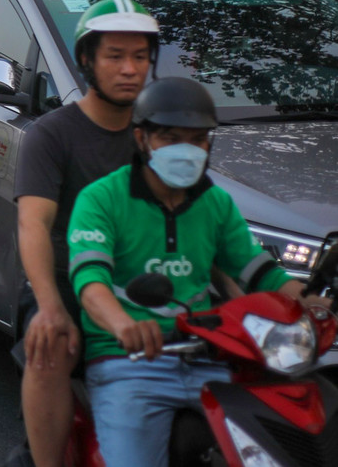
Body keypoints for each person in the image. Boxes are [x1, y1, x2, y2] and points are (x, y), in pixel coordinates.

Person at [68, 77, 325, 467]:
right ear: (141, 138)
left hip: (212, 361)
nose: (186, 150)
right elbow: (90, 283)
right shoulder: (101, 199)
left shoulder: (216, 203)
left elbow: (261, 274)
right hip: (129, 363)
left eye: (198, 139)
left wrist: (310, 302)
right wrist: (124, 326)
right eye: (171, 138)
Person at [13, 0, 159, 467]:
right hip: (64, 282)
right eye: (115, 56)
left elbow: (206, 222)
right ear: (87, 61)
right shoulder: (52, 135)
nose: (130, 69)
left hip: (145, 278)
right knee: (49, 344)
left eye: (140, 56)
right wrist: (49, 306)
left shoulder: (161, 136)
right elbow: (33, 223)